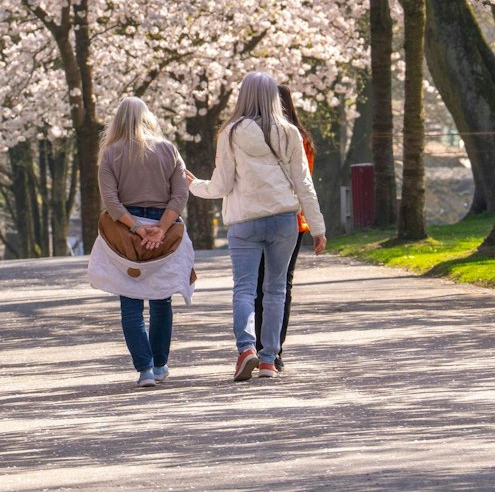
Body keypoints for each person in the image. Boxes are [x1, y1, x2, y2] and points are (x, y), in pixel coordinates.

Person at [187, 71, 327, 382]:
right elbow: (304, 184)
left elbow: (222, 185)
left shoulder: (231, 133)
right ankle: (268, 360)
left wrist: (195, 185)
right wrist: (317, 228)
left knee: (245, 289)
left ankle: (245, 349)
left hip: (244, 221)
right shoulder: (290, 132)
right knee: (275, 290)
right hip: (284, 221)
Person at [96, 97, 190, 387]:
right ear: (148, 117)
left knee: (131, 301)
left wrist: (137, 227)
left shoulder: (110, 155)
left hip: (126, 231)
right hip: (165, 225)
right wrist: (160, 228)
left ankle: (145, 369)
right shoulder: (168, 150)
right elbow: (180, 195)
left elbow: (111, 202)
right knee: (162, 299)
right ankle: (161, 364)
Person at [248, 83, 315, 371]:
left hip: (258, 216)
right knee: (281, 286)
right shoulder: (302, 139)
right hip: (294, 221)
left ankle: (261, 346)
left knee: (259, 286)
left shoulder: (255, 138)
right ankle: (274, 350)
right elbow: (306, 183)